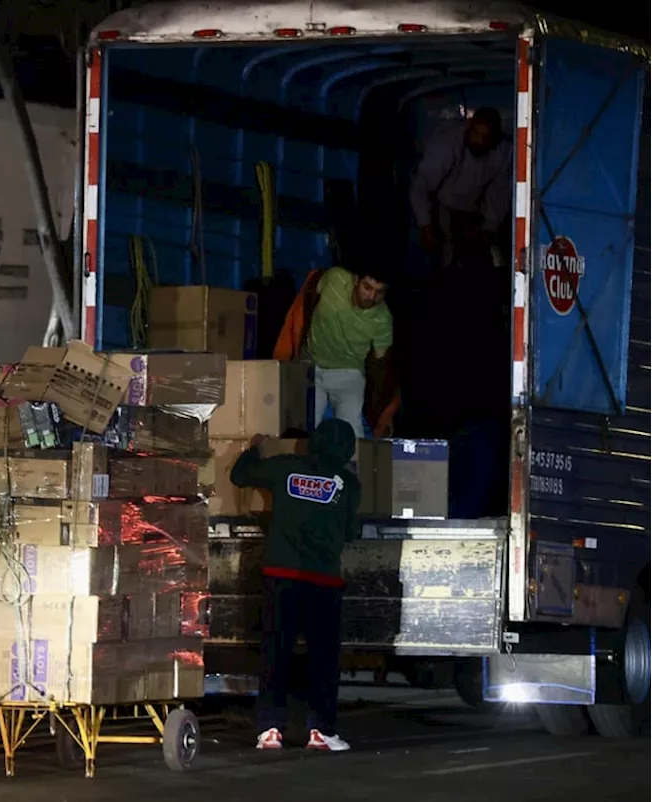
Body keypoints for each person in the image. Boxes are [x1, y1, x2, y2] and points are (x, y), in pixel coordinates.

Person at [230, 419, 361, 752]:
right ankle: (320, 731)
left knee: (275, 654)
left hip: (281, 575)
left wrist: (254, 448)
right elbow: (351, 532)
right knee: (322, 659)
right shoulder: (348, 483)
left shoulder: (285, 468)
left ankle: (269, 730)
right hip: (323, 580)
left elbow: (240, 475)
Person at [409, 107, 512, 270]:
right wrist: (425, 226)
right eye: (476, 134)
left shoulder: (504, 151)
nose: (479, 141)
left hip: (473, 211)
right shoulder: (446, 143)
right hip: (440, 205)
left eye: (486, 137)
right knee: (444, 260)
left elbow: (499, 193)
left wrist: (489, 228)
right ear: (469, 126)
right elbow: (422, 184)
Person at [303, 266, 393, 438]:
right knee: (304, 430)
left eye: (380, 292)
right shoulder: (335, 278)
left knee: (352, 434)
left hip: (349, 373)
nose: (372, 297)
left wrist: (378, 411)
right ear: (356, 280)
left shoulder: (383, 319)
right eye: (367, 287)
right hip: (311, 366)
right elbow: (309, 298)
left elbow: (380, 364)